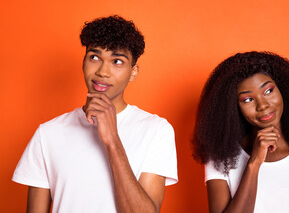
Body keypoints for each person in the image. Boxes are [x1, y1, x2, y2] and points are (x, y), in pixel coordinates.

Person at [13, 15, 178, 213]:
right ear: (83, 62)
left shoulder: (156, 131)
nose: (102, 71)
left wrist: (112, 141)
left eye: (117, 61)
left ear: (133, 72)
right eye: (94, 57)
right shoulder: (48, 134)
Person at [192, 51, 289, 213]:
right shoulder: (221, 159)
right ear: (233, 107)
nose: (262, 105)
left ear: (284, 91)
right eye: (248, 99)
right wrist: (254, 163)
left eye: (268, 91)